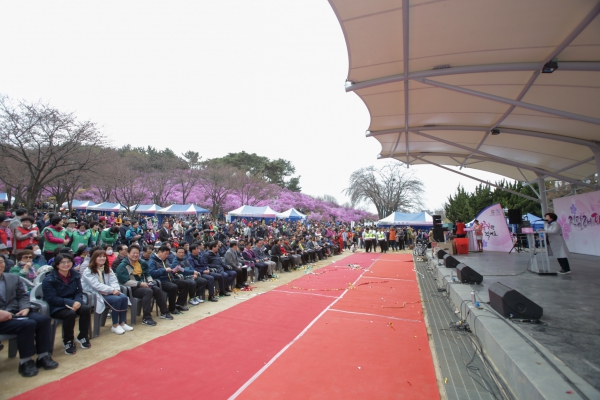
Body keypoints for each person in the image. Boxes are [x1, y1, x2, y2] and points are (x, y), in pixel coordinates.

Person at [0, 256, 59, 377]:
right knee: (28, 324)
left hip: (17, 311)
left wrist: (25, 307)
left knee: (43, 320)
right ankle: (25, 361)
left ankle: (43, 356)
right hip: (2, 318)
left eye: (0, 262)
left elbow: (22, 296)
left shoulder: (12, 277)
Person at [42, 254, 92, 354]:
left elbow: (79, 291)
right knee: (70, 314)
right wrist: (71, 302)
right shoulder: (49, 279)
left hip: (74, 302)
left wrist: (77, 301)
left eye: (68, 262)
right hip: (57, 305)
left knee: (86, 309)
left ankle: (82, 336)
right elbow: (51, 298)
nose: (66, 264)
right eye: (62, 262)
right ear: (57, 264)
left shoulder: (75, 274)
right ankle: (68, 341)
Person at [116, 245, 173, 326]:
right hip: (131, 289)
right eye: (133, 253)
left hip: (143, 285)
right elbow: (124, 281)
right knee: (148, 291)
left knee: (156, 289)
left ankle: (164, 312)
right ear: (128, 253)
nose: (135, 255)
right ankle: (146, 318)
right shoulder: (123, 266)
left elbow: (147, 274)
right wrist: (140, 284)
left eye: (137, 253)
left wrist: (150, 281)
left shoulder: (141, 262)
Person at [82, 250, 132, 335]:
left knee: (123, 297)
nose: (102, 258)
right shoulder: (88, 271)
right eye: (99, 256)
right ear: (94, 258)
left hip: (109, 292)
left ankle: (122, 323)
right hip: (95, 294)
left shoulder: (107, 268)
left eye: (104, 256)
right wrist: (112, 290)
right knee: (117, 300)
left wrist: (116, 289)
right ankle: (115, 325)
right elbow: (96, 285)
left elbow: (113, 281)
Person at [148, 245, 193, 313]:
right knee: (173, 287)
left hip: (169, 279)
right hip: (160, 281)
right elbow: (151, 273)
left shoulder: (165, 260)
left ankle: (179, 304)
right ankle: (172, 308)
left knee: (186, 283)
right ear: (159, 252)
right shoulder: (152, 261)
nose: (166, 256)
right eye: (165, 254)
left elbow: (169, 269)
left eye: (167, 254)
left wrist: (173, 270)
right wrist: (164, 270)